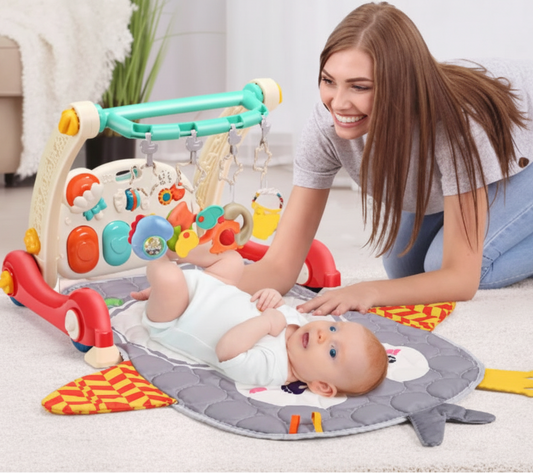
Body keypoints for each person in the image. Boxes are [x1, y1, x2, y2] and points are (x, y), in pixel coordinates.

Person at [238, 2, 533, 315]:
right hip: (495, 147)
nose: (338, 103)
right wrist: (210, 284)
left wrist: (367, 291)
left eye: (359, 87)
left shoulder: (454, 124)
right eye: (329, 81)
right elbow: (280, 267)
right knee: (404, 267)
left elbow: (460, 280)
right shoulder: (325, 126)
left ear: (401, 86)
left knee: (444, 267)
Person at [131, 244, 388, 397]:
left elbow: (227, 351)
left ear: (321, 386)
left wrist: (267, 323)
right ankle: (177, 249)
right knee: (231, 259)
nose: (324, 334)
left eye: (332, 351)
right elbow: (269, 304)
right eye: (333, 327)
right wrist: (271, 295)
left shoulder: (272, 368)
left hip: (178, 315)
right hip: (214, 285)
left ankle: (155, 250)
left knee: (170, 280)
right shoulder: (301, 325)